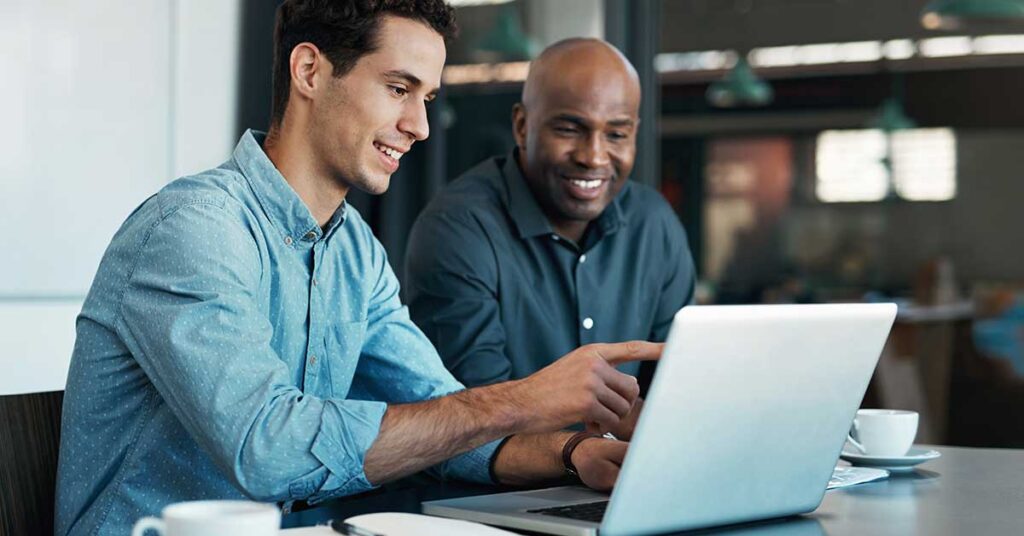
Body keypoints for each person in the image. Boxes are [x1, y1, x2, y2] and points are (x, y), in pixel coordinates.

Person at [54, 4, 659, 534]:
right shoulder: (194, 229)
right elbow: (268, 449)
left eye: (426, 98)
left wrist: (575, 452)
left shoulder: (355, 254)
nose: (419, 126)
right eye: (399, 88)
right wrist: (524, 400)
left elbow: (442, 420)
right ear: (310, 71)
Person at [404, 38, 696, 422]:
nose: (593, 156)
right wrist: (584, 452)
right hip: (503, 483)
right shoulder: (458, 229)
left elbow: (678, 389)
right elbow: (474, 420)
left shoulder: (653, 223)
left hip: (624, 475)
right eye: (570, 129)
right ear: (523, 126)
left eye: (616, 134)